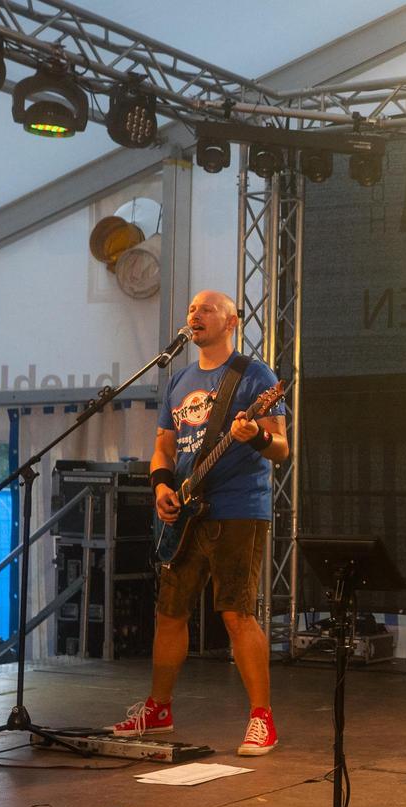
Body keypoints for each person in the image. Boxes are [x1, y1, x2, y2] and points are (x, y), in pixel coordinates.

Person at [114, 290, 290, 755]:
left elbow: (280, 447)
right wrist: (160, 488)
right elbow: (164, 448)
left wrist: (253, 437)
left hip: (237, 509)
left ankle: (261, 719)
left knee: (236, 612)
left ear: (230, 322)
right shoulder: (178, 379)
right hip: (185, 512)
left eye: (206, 308)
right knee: (169, 613)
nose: (195, 313)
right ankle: (159, 708)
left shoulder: (256, 377)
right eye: (191, 308)